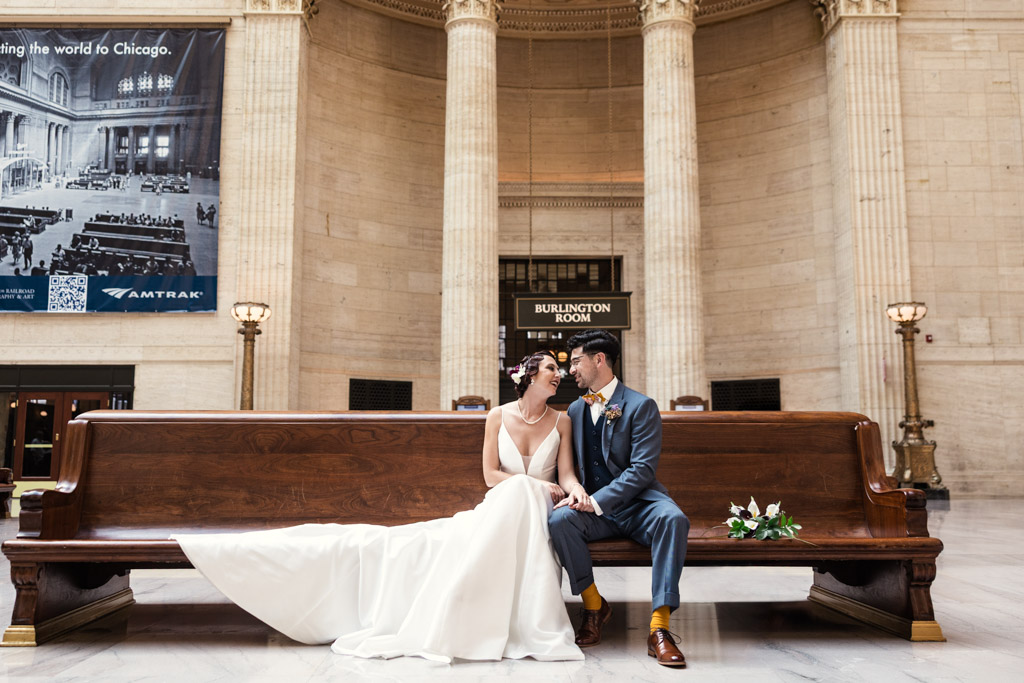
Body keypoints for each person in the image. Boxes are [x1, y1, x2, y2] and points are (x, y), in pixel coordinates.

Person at [173, 351, 585, 662]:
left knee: (526, 496)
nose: (559, 375)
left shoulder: (562, 419)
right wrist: (531, 483)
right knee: (508, 496)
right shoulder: (496, 416)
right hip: (504, 502)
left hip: (538, 507)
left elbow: (564, 474)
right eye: (552, 369)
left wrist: (575, 489)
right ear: (529, 376)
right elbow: (491, 475)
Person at [549, 329, 689, 668]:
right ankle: (594, 605)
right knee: (559, 520)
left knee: (673, 519)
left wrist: (596, 502)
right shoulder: (576, 410)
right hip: (595, 509)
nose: (572, 370)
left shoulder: (641, 406)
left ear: (599, 360)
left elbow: (642, 470)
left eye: (577, 361)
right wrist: (573, 493)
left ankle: (660, 629)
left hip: (640, 505)